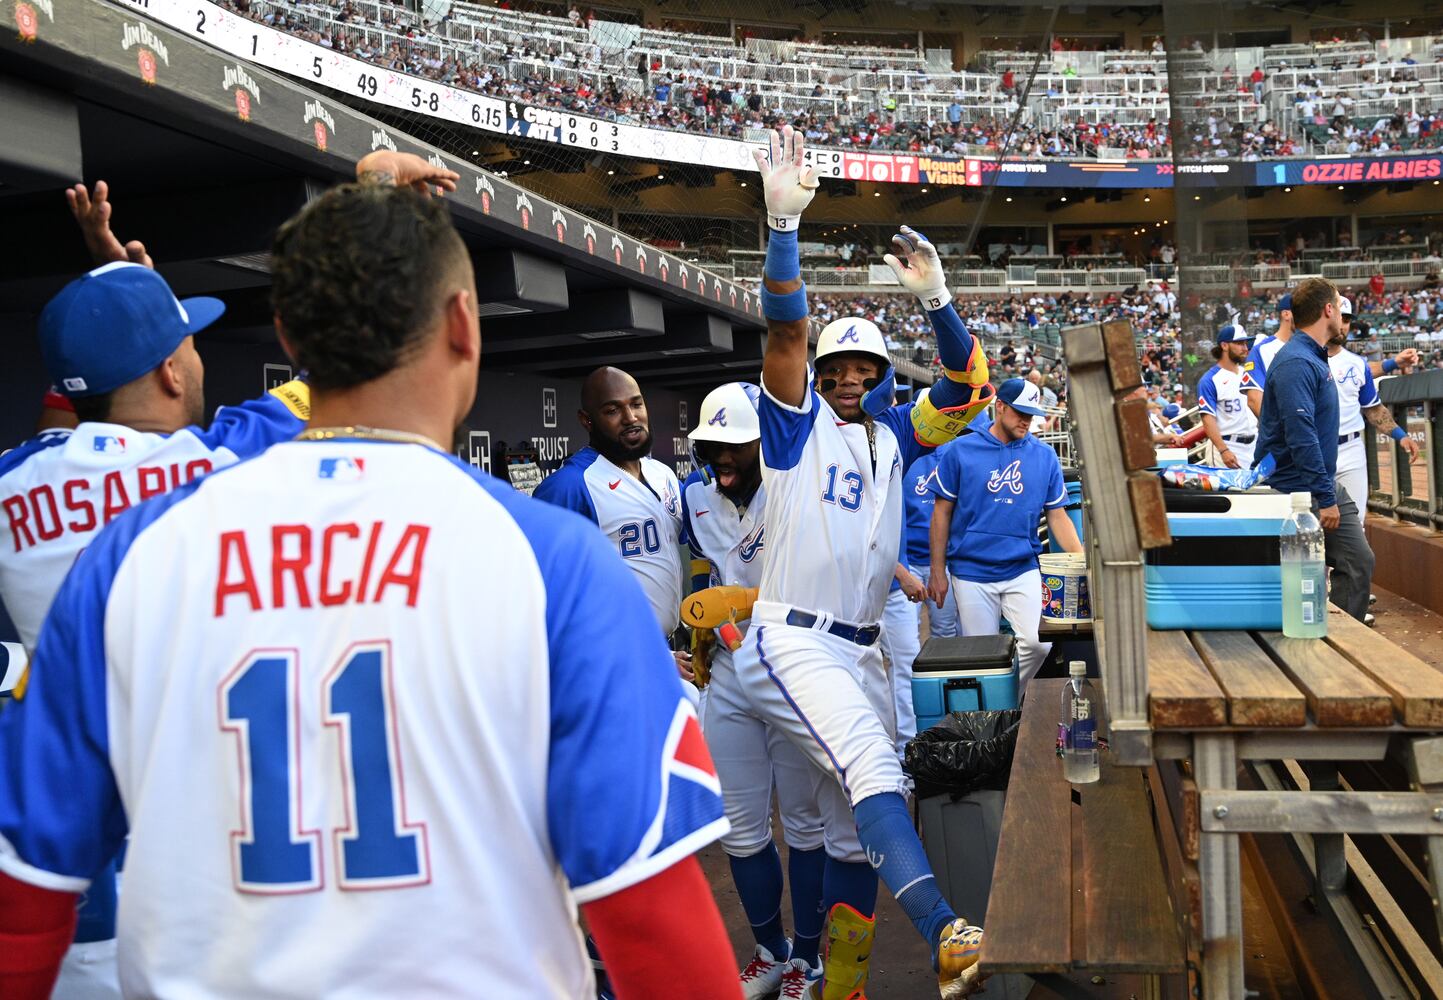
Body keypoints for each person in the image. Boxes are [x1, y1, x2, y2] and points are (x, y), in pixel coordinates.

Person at [0, 154, 742, 1000]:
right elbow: (649, 918)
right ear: (465, 323)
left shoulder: (128, 553)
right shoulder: (550, 561)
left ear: (287, 335)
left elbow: (25, 898)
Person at [0, 183, 317, 1000]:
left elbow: (66, 427)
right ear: (172, 371)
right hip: (215, 877)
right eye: (189, 343)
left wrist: (123, 308)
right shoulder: (223, 459)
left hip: (69, 881)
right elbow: (334, 380)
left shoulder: (9, 484)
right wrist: (134, 293)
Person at [737, 125, 994, 999]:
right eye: (837, 363)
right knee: (877, 769)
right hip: (790, 636)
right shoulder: (792, 423)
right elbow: (782, 332)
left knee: (852, 833)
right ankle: (946, 929)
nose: (848, 374)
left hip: (853, 647)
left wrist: (939, 300)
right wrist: (781, 229)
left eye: (864, 366)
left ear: (883, 377)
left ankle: (834, 980)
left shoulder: (897, 438)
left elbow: (967, 389)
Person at [682, 383, 827, 998]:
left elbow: (828, 585)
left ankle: (811, 957)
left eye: (735, 446)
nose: (723, 458)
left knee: (805, 824)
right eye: (712, 446)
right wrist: (693, 634)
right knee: (740, 825)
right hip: (734, 671)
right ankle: (771, 948)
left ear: (764, 443)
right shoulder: (696, 497)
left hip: (795, 662)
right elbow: (698, 563)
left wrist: (741, 600)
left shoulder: (800, 489)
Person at [926, 379, 1085, 694]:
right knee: (981, 655)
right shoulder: (961, 449)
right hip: (971, 569)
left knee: (1040, 642)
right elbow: (941, 513)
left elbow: (1058, 515)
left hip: (1021, 566)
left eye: (1031, 414)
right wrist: (937, 570)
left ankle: (1006, 698)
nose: (1026, 420)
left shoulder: (1044, 456)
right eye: (1020, 412)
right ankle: (995, 716)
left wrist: (1082, 561)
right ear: (1000, 406)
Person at [1253, 276, 1375, 622]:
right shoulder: (1297, 361)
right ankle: (1333, 644)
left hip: (1315, 481)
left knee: (1358, 561)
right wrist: (1325, 495)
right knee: (1332, 566)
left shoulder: (1310, 355)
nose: (1342, 314)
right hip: (1296, 488)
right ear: (1327, 310)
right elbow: (1300, 433)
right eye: (1339, 306)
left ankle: (1343, 637)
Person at [533, 366, 686, 638]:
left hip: (670, 644)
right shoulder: (570, 486)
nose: (630, 418)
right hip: (618, 653)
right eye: (613, 410)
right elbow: (552, 597)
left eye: (636, 404)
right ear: (586, 420)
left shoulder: (664, 474)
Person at [906, 450, 958, 641]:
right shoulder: (906, 450)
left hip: (945, 560)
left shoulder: (954, 452)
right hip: (908, 560)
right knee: (906, 637)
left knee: (945, 632)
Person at [1197, 322, 1258, 470]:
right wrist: (1223, 450)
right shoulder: (1210, 379)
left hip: (1253, 445)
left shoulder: (1247, 372)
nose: (1245, 348)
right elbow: (1207, 419)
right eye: (1239, 343)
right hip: (1228, 447)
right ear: (1224, 345)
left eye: (1246, 343)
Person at [1242, 293, 1293, 419]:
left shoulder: (1311, 347)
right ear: (1286, 314)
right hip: (1282, 433)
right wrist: (1281, 432)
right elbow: (1254, 400)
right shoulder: (1262, 350)